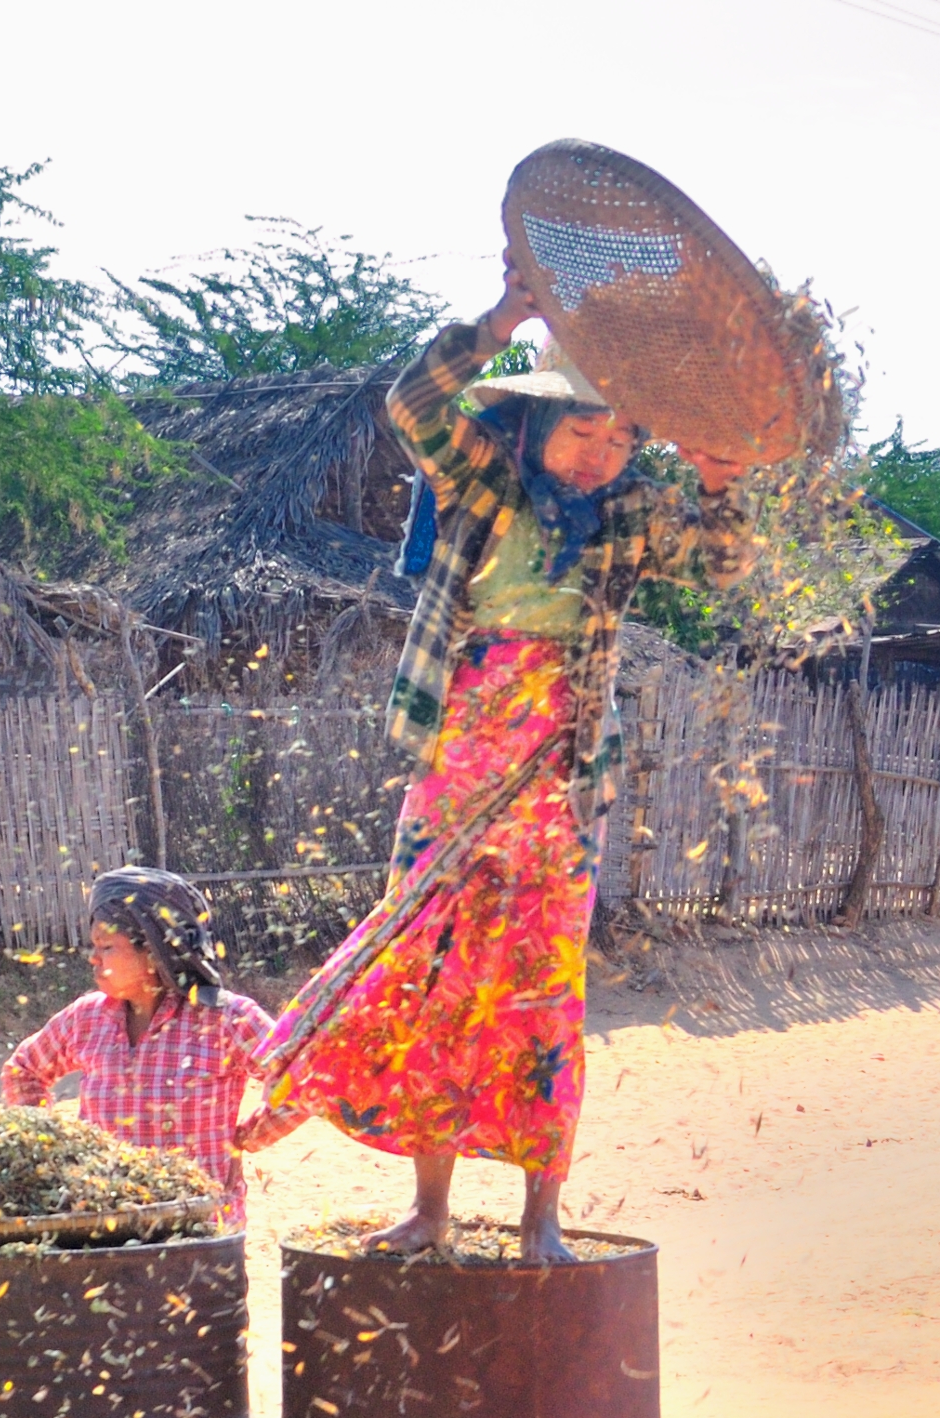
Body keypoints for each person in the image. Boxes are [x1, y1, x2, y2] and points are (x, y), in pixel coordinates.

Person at [256, 255, 751, 1262]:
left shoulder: (621, 517)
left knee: (537, 996)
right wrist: (495, 322)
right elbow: (409, 402)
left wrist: (713, 483)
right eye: (582, 428)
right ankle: (428, 1212)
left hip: (564, 785)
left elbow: (717, 566)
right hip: (456, 761)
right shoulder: (479, 476)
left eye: (619, 437)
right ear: (529, 425)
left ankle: (540, 1224)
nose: (600, 453)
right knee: (432, 979)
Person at [2, 869, 306, 1229]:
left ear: (154, 952)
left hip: (199, 1225)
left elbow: (302, 1078)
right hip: (105, 1226)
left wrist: (244, 1139)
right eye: (93, 946)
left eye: (106, 947)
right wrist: (51, 1145)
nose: (93, 959)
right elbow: (24, 1070)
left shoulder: (225, 1019)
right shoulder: (87, 1018)